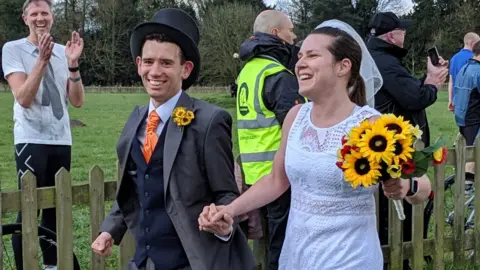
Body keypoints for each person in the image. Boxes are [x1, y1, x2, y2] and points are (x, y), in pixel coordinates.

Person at [200, 19, 431, 270]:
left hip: (350, 257)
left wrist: (406, 186)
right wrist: (230, 211)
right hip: (298, 254)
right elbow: (277, 180)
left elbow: (424, 186)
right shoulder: (295, 117)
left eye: (312, 55)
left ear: (343, 66)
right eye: (299, 56)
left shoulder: (373, 126)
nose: (300, 63)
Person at [90, 8, 255, 270]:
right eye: (148, 61)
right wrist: (109, 231)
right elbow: (135, 188)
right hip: (144, 262)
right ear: (138, 64)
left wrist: (221, 223)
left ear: (185, 69)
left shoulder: (210, 121)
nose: (154, 71)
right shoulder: (135, 119)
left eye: (166, 63)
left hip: (192, 261)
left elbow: (226, 194)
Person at [1, 0, 85, 269]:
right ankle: (25, 264)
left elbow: (78, 101)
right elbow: (23, 98)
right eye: (34, 13)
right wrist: (41, 60)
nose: (40, 18)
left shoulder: (63, 51)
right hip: (30, 139)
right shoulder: (13, 49)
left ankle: (51, 266)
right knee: (29, 208)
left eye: (45, 13)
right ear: (25, 18)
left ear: (52, 18)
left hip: (61, 139)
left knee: (54, 208)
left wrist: (72, 65)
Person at [367, 12, 446, 270]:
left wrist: (427, 79)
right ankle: (402, 258)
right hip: (394, 149)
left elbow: (406, 91)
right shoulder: (386, 62)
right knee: (401, 211)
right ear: (392, 35)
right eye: (403, 30)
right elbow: (414, 99)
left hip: (388, 145)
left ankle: (401, 255)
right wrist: (432, 84)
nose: (405, 34)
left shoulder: (377, 58)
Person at [235, 9, 306, 270]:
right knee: (284, 245)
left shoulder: (248, 71)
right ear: (276, 34)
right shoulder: (277, 75)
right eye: (291, 31)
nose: (295, 37)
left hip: (255, 174)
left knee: (268, 246)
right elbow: (298, 126)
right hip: (279, 174)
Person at [453, 40, 480, 183]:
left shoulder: (465, 68)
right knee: (473, 155)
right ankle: (467, 187)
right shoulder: (478, 71)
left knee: (469, 152)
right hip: (474, 118)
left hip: (462, 117)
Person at [449, 32, 480, 111]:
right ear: (472, 43)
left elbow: (451, 81)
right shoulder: (474, 57)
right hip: (472, 102)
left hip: (457, 101)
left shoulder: (454, 58)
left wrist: (450, 100)